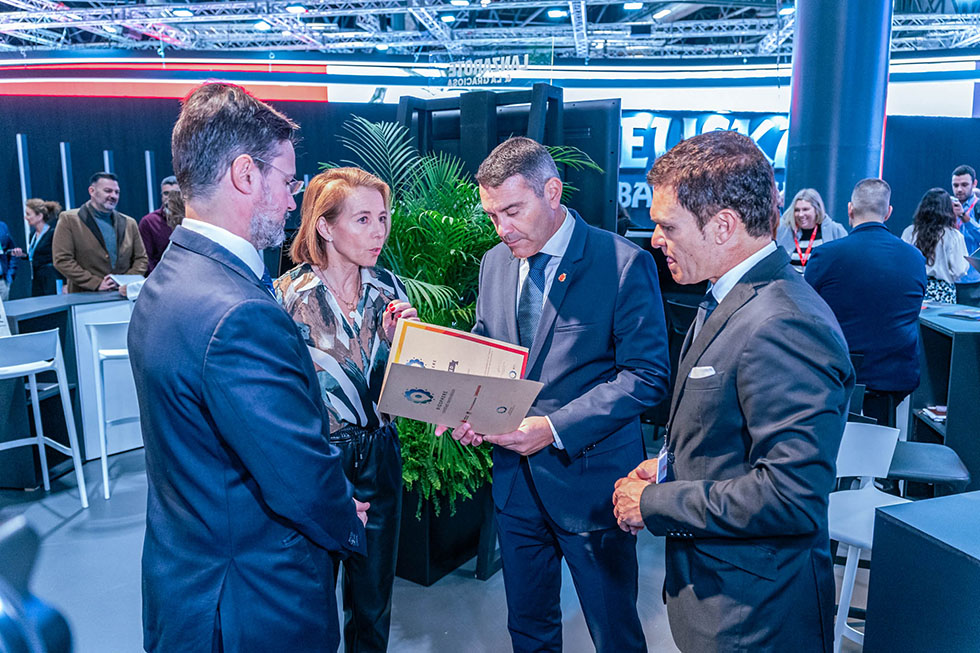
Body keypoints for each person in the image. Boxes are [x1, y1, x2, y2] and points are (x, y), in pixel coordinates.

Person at [128, 81, 367, 653]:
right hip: (254, 604)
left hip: (188, 587)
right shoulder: (239, 312)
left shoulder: (168, 281)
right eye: (287, 182)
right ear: (244, 175)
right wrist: (347, 518)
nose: (291, 201)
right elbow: (297, 474)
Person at [613, 130, 854, 653]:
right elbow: (732, 431)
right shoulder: (731, 298)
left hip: (754, 619)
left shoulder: (784, 322)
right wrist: (672, 465)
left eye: (668, 226)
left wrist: (656, 502)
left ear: (723, 226)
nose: (655, 240)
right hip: (722, 599)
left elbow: (790, 496)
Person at [440, 137, 670, 653]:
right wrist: (467, 406)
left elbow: (647, 376)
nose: (501, 229)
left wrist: (553, 428)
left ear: (552, 192)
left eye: (512, 211)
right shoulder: (495, 263)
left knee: (614, 633)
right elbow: (489, 348)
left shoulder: (622, 263)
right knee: (529, 630)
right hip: (515, 487)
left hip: (594, 488)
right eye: (492, 215)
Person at [275, 167, 417, 653]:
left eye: (383, 217)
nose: (379, 231)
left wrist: (405, 344)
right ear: (325, 226)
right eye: (363, 219)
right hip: (319, 459)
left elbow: (409, 388)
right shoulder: (287, 297)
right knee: (312, 601)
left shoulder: (390, 291)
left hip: (381, 455)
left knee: (373, 601)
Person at [804, 179, 926, 427]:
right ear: (888, 212)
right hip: (894, 378)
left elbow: (805, 311)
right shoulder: (915, 258)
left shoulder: (825, 255)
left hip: (833, 378)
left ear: (850, 209)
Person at [52, 172, 147, 292]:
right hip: (84, 296)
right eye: (108, 191)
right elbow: (62, 260)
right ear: (91, 191)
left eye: (117, 192)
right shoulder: (69, 220)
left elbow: (141, 259)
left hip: (122, 294)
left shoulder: (130, 223)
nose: (113, 196)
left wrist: (124, 282)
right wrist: (96, 283)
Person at [902, 188, 969, 304]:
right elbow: (959, 270)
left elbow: (902, 262)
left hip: (915, 289)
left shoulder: (909, 232)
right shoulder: (954, 236)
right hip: (944, 293)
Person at [775, 188, 847, 273]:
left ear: (817, 210)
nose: (801, 214)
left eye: (805, 209)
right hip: (789, 281)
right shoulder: (783, 230)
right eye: (797, 210)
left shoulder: (835, 231)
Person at [950, 164, 980, 305]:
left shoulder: (978, 207)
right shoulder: (946, 206)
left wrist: (964, 217)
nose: (959, 189)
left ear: (974, 184)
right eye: (955, 185)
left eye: (964, 185)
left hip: (973, 280)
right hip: (949, 278)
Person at [139, 175, 179, 274]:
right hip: (160, 276)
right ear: (161, 196)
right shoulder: (149, 222)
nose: (170, 197)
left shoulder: (192, 219)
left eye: (175, 193)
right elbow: (147, 259)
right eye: (166, 193)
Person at [24, 199, 64, 297]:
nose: (26, 217)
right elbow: (36, 255)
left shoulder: (52, 234)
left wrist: (65, 282)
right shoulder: (32, 235)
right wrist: (23, 255)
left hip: (51, 278)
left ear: (39, 216)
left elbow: (61, 258)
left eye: (28, 214)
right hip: (37, 279)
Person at [0, 219, 18, 300]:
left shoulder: (2, 227)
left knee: (4, 308)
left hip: (2, 282)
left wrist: (9, 276)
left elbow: (12, 251)